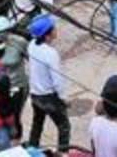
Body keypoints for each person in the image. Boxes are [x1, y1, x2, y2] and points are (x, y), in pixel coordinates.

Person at [27, 15, 70, 149]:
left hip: (35, 93)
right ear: (47, 36)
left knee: (37, 124)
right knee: (64, 126)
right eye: (53, 29)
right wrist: (64, 98)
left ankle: (32, 148)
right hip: (49, 97)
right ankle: (62, 152)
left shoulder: (32, 45)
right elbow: (57, 80)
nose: (56, 30)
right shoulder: (51, 53)